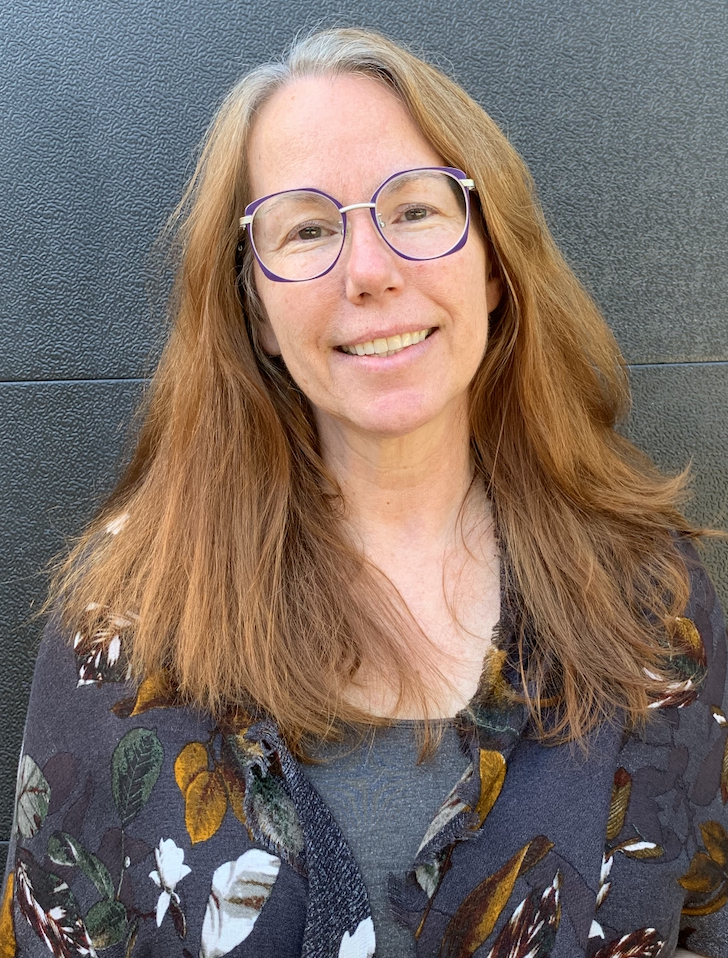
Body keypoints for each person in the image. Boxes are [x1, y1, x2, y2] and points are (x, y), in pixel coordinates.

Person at [0, 26, 725, 958]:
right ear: (256, 311)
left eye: (417, 211)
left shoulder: (649, 602)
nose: (370, 271)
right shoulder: (127, 619)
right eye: (306, 229)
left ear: (495, 264)